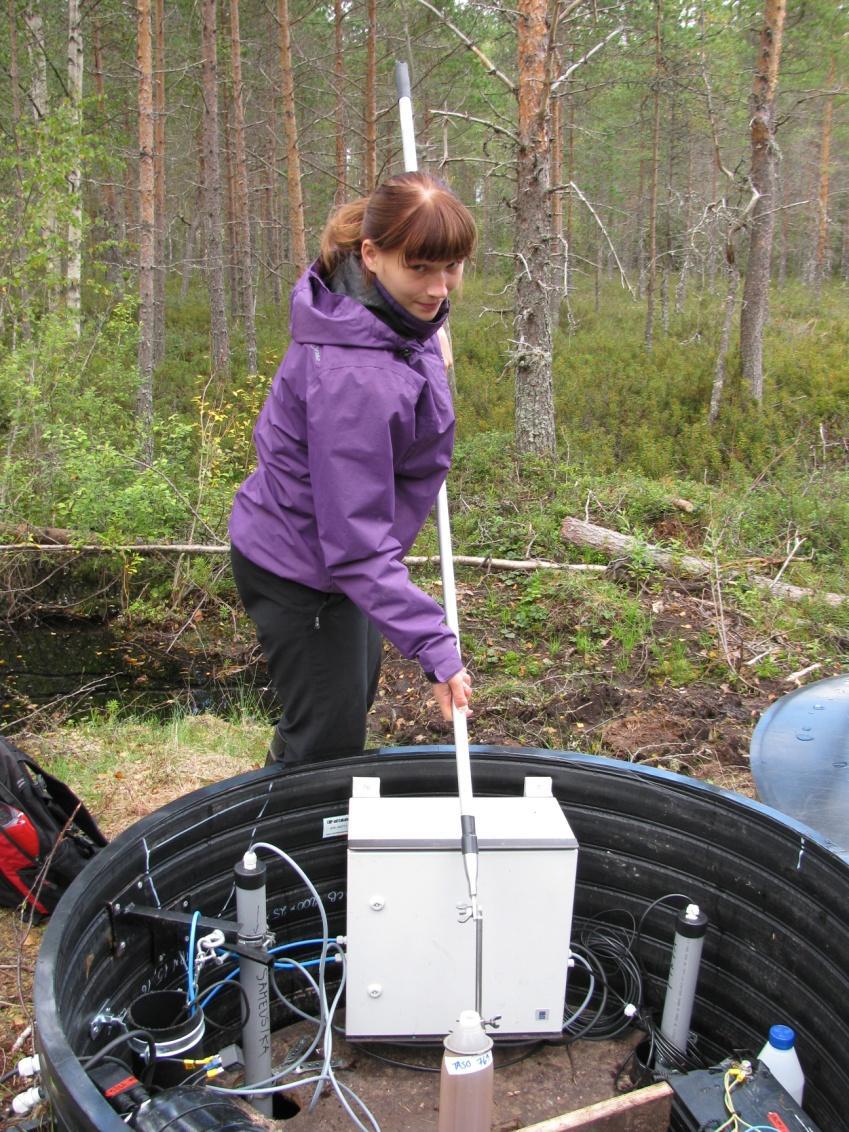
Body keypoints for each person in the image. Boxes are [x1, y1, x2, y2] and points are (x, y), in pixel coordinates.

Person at [229, 171, 477, 769]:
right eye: (420, 268)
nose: (440, 289)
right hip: (304, 569)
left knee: (344, 703)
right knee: (324, 744)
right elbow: (356, 546)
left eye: (452, 267)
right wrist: (437, 649)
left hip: (332, 559)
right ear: (371, 254)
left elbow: (400, 331)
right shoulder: (353, 380)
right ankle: (264, 851)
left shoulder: (370, 307)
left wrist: (425, 335)